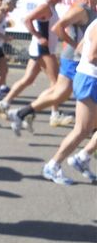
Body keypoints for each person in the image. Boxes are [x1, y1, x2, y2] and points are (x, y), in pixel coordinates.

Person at [7, 0, 97, 135]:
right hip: (73, 59)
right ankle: (21, 113)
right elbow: (57, 28)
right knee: (60, 93)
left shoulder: (91, 8)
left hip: (76, 59)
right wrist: (77, 46)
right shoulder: (81, 9)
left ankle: (22, 113)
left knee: (58, 91)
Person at [0, 0, 64, 116]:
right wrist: (39, 37)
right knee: (56, 83)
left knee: (28, 79)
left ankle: (4, 103)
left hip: (41, 49)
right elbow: (27, 20)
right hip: (44, 50)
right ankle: (55, 114)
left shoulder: (51, 8)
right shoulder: (45, 7)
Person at [42, 16, 97, 185]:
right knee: (82, 129)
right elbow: (92, 56)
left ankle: (82, 157)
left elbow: (80, 48)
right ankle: (53, 165)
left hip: (88, 77)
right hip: (90, 80)